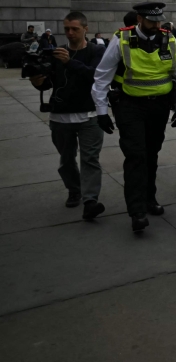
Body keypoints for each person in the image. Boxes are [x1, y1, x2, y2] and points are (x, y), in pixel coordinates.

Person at [91, 2, 176, 233]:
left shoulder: (170, 39)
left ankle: (149, 198)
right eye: (151, 21)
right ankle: (136, 211)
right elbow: (102, 76)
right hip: (130, 106)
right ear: (139, 19)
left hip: (159, 107)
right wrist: (101, 111)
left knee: (151, 154)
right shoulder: (122, 39)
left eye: (159, 21)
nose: (157, 25)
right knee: (136, 155)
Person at [30, 11, 107, 220]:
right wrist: (38, 82)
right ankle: (74, 189)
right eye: (67, 29)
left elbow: (96, 76)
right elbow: (49, 83)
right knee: (66, 160)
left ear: (85, 29)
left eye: (75, 29)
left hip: (90, 115)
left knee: (90, 159)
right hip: (60, 117)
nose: (70, 33)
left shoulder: (96, 50)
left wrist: (69, 63)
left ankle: (90, 200)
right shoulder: (57, 53)